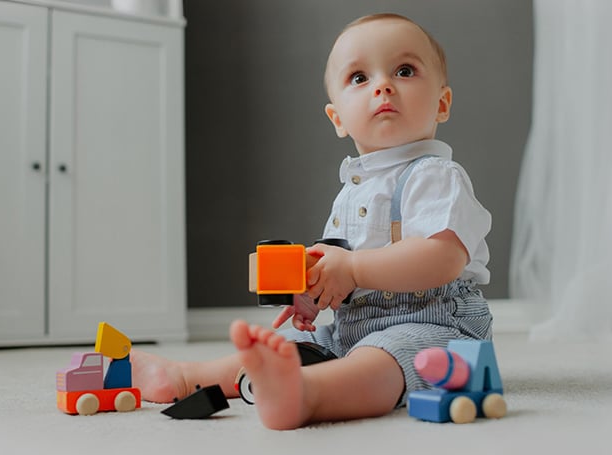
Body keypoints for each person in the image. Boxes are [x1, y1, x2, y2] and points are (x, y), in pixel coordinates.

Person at [131, 12, 493, 430]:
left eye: (404, 70)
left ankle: (309, 396)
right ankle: (188, 377)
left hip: (433, 323)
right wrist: (316, 289)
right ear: (337, 118)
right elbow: (337, 269)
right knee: (297, 344)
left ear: (442, 103)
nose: (383, 85)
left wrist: (354, 268)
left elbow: (443, 258)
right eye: (359, 78)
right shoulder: (351, 191)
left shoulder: (435, 175)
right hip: (352, 327)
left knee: (385, 358)